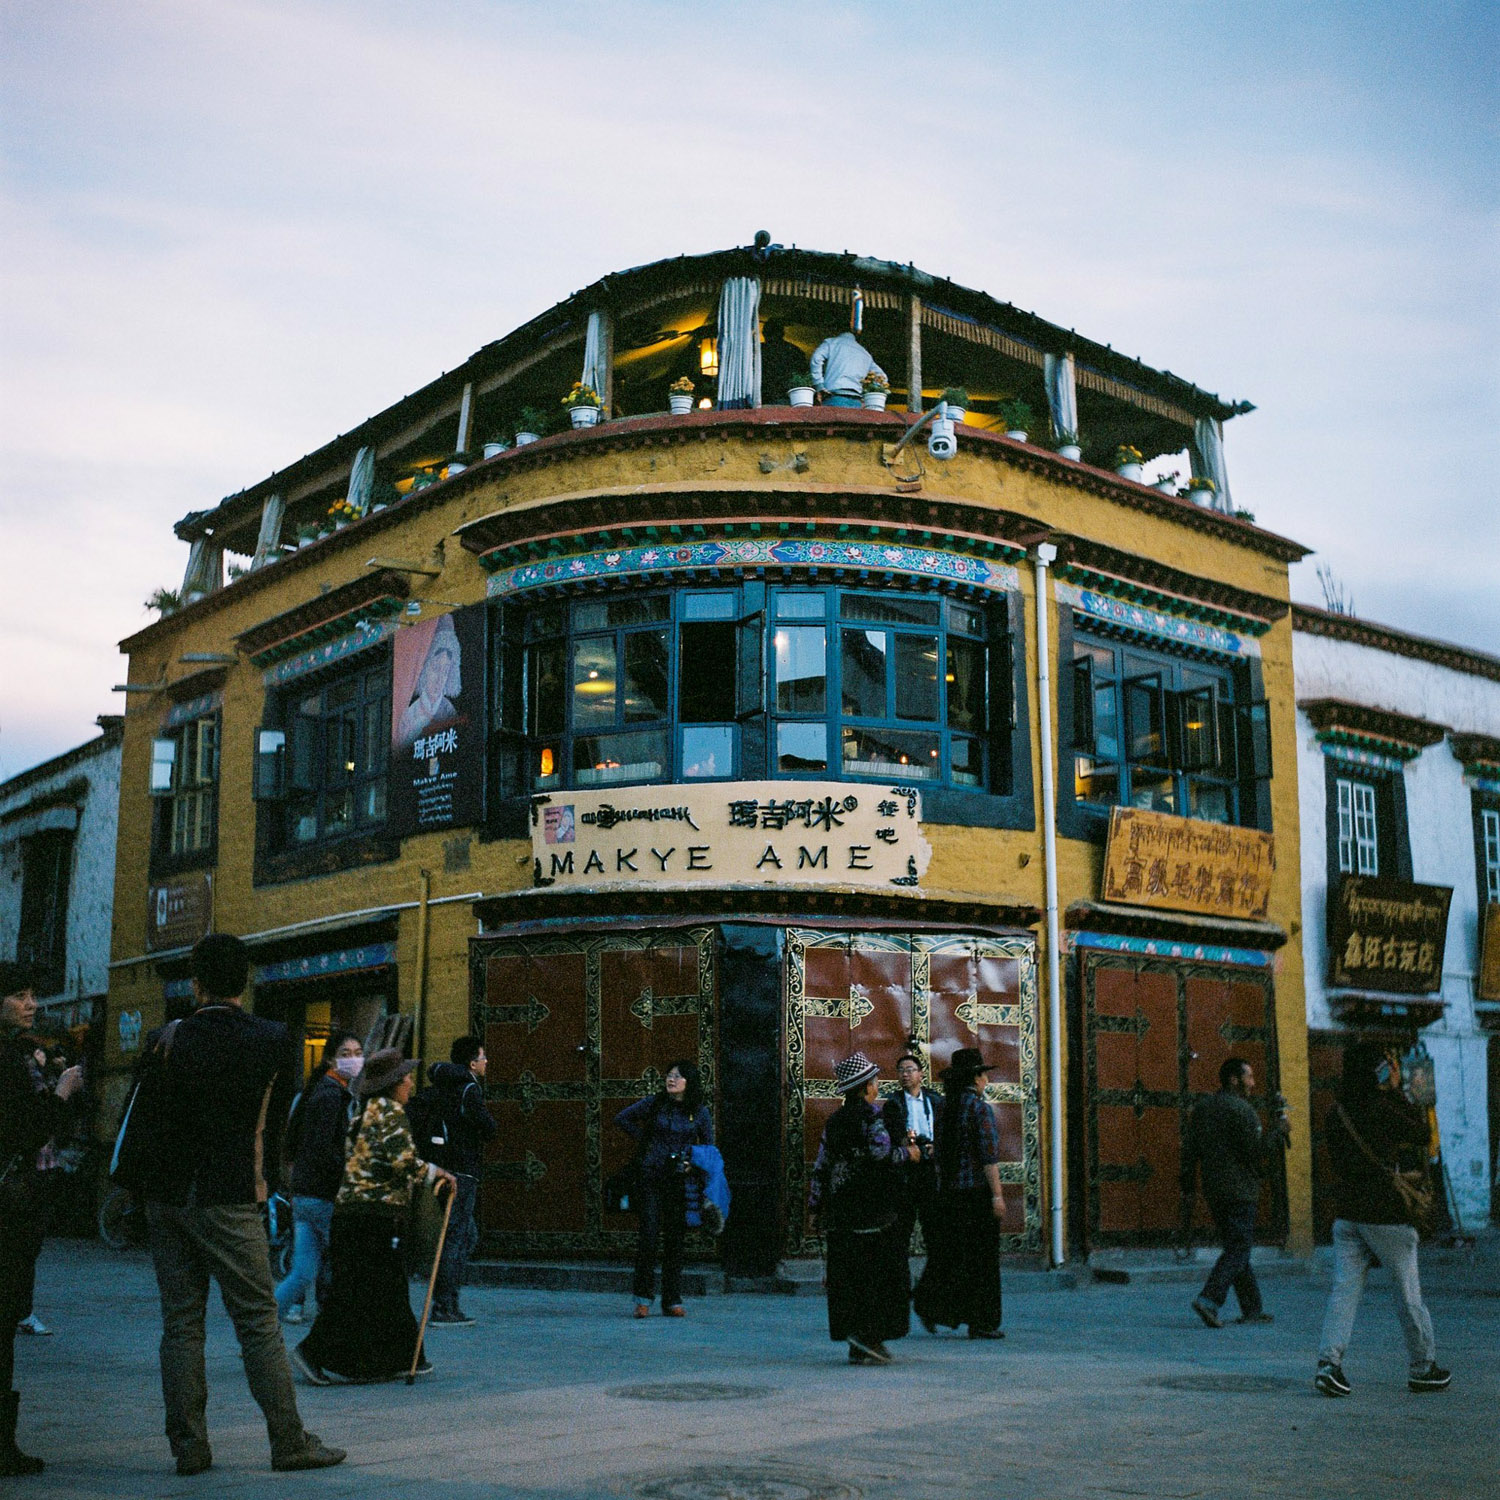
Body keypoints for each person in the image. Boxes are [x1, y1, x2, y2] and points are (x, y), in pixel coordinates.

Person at [140, 934, 345, 1476]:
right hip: (230, 1193)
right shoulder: (274, 1038)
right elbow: (276, 1125)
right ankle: (288, 1440)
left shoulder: (163, 1039)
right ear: (245, 982)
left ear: (195, 982)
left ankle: (189, 1446)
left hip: (166, 1195)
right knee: (256, 1319)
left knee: (180, 1324)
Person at [292, 1049, 455, 1384]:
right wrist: (439, 1174)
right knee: (363, 1291)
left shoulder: (364, 1112)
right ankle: (313, 1351)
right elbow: (403, 1162)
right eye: (406, 1077)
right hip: (374, 1216)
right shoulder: (390, 1112)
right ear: (393, 1084)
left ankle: (405, 1356)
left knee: (385, 1289)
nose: (411, 1082)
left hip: (353, 1214)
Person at [1314, 1042, 1451, 1398]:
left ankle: (1329, 1364)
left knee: (1344, 1291)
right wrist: (1400, 1094)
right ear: (1376, 1072)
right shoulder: (1382, 1109)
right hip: (1386, 1215)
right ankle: (1423, 1367)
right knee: (1408, 1293)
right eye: (1386, 1066)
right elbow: (1421, 1135)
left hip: (1347, 1216)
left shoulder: (1338, 1112)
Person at [0, 961, 83, 1476]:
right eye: (20, 995)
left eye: (33, 994)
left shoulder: (19, 1054)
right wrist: (59, 1092)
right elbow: (26, 1131)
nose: (31, 1004)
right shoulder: (6, 1059)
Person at [808, 1052, 918, 1365]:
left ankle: (855, 1341)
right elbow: (881, 1155)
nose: (877, 1085)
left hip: (840, 1211)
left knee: (848, 1276)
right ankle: (872, 1337)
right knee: (877, 1275)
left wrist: (815, 1206)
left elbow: (822, 1166)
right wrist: (908, 1154)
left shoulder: (834, 1121)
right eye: (874, 1081)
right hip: (872, 1210)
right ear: (865, 1087)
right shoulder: (873, 1118)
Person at [1182, 1057, 1289, 1329]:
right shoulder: (1242, 1111)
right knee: (1239, 1249)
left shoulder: (1203, 1108)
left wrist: (1188, 1187)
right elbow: (1255, 1153)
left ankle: (1252, 1308)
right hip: (1240, 1190)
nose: (1252, 1084)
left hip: (1214, 1189)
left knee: (1236, 1247)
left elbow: (1190, 1151)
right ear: (1234, 1079)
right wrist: (1278, 1132)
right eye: (1249, 1077)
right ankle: (1209, 1299)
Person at [913, 1047, 1006, 1340]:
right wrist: (997, 1196)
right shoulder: (980, 1109)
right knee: (982, 1260)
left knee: (951, 1255)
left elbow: (940, 1153)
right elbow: (988, 1157)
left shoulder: (944, 1107)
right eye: (983, 1076)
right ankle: (982, 1321)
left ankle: (932, 1306)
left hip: (950, 1194)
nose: (986, 1082)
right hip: (976, 1194)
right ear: (976, 1078)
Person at [274, 1031, 363, 1326]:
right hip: (324, 1193)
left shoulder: (318, 1092)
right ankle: (335, 1333)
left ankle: (259, 1329)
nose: (354, 1059)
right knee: (342, 1265)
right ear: (329, 1058)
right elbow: (324, 1148)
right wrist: (348, 1175)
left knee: (302, 1271)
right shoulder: (330, 1096)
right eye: (346, 1053)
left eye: (357, 1052)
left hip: (305, 1194)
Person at [614, 1060, 713, 1318]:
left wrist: (694, 1163)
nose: (671, 1080)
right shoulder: (655, 1103)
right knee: (648, 1236)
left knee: (674, 1241)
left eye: (677, 1076)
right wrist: (646, 1141)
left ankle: (672, 1299)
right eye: (669, 1075)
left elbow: (708, 1146)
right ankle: (642, 1298)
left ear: (688, 1083)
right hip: (651, 1177)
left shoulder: (699, 1112)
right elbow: (622, 1118)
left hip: (680, 1180)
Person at [426, 1036, 497, 1326]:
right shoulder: (469, 1088)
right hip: (463, 1170)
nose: (485, 1062)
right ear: (471, 1062)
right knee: (456, 1238)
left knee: (463, 1235)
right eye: (482, 1057)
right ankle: (444, 1306)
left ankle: (447, 1299)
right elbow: (487, 1126)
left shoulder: (443, 1085)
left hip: (442, 1167)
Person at [882, 1052, 943, 1260]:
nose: (905, 1075)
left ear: (921, 1074)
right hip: (906, 1169)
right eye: (901, 1071)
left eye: (909, 1070)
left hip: (931, 1169)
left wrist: (938, 1147)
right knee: (901, 1226)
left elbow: (945, 1130)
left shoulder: (935, 1101)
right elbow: (891, 1133)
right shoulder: (893, 1103)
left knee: (934, 1225)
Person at [396, 615, 461, 746]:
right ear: (424, 668)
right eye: (436, 668)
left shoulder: (449, 711)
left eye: (445, 671)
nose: (439, 679)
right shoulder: (408, 716)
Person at [809, 330, 885, 407]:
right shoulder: (865, 353)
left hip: (834, 395)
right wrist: (868, 394)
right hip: (856, 400)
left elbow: (816, 358)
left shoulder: (831, 342)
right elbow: (882, 376)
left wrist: (819, 385)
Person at [759, 317, 807, 403]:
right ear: (782, 333)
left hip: (764, 396)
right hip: (788, 397)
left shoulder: (757, 350)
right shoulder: (794, 351)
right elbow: (803, 375)